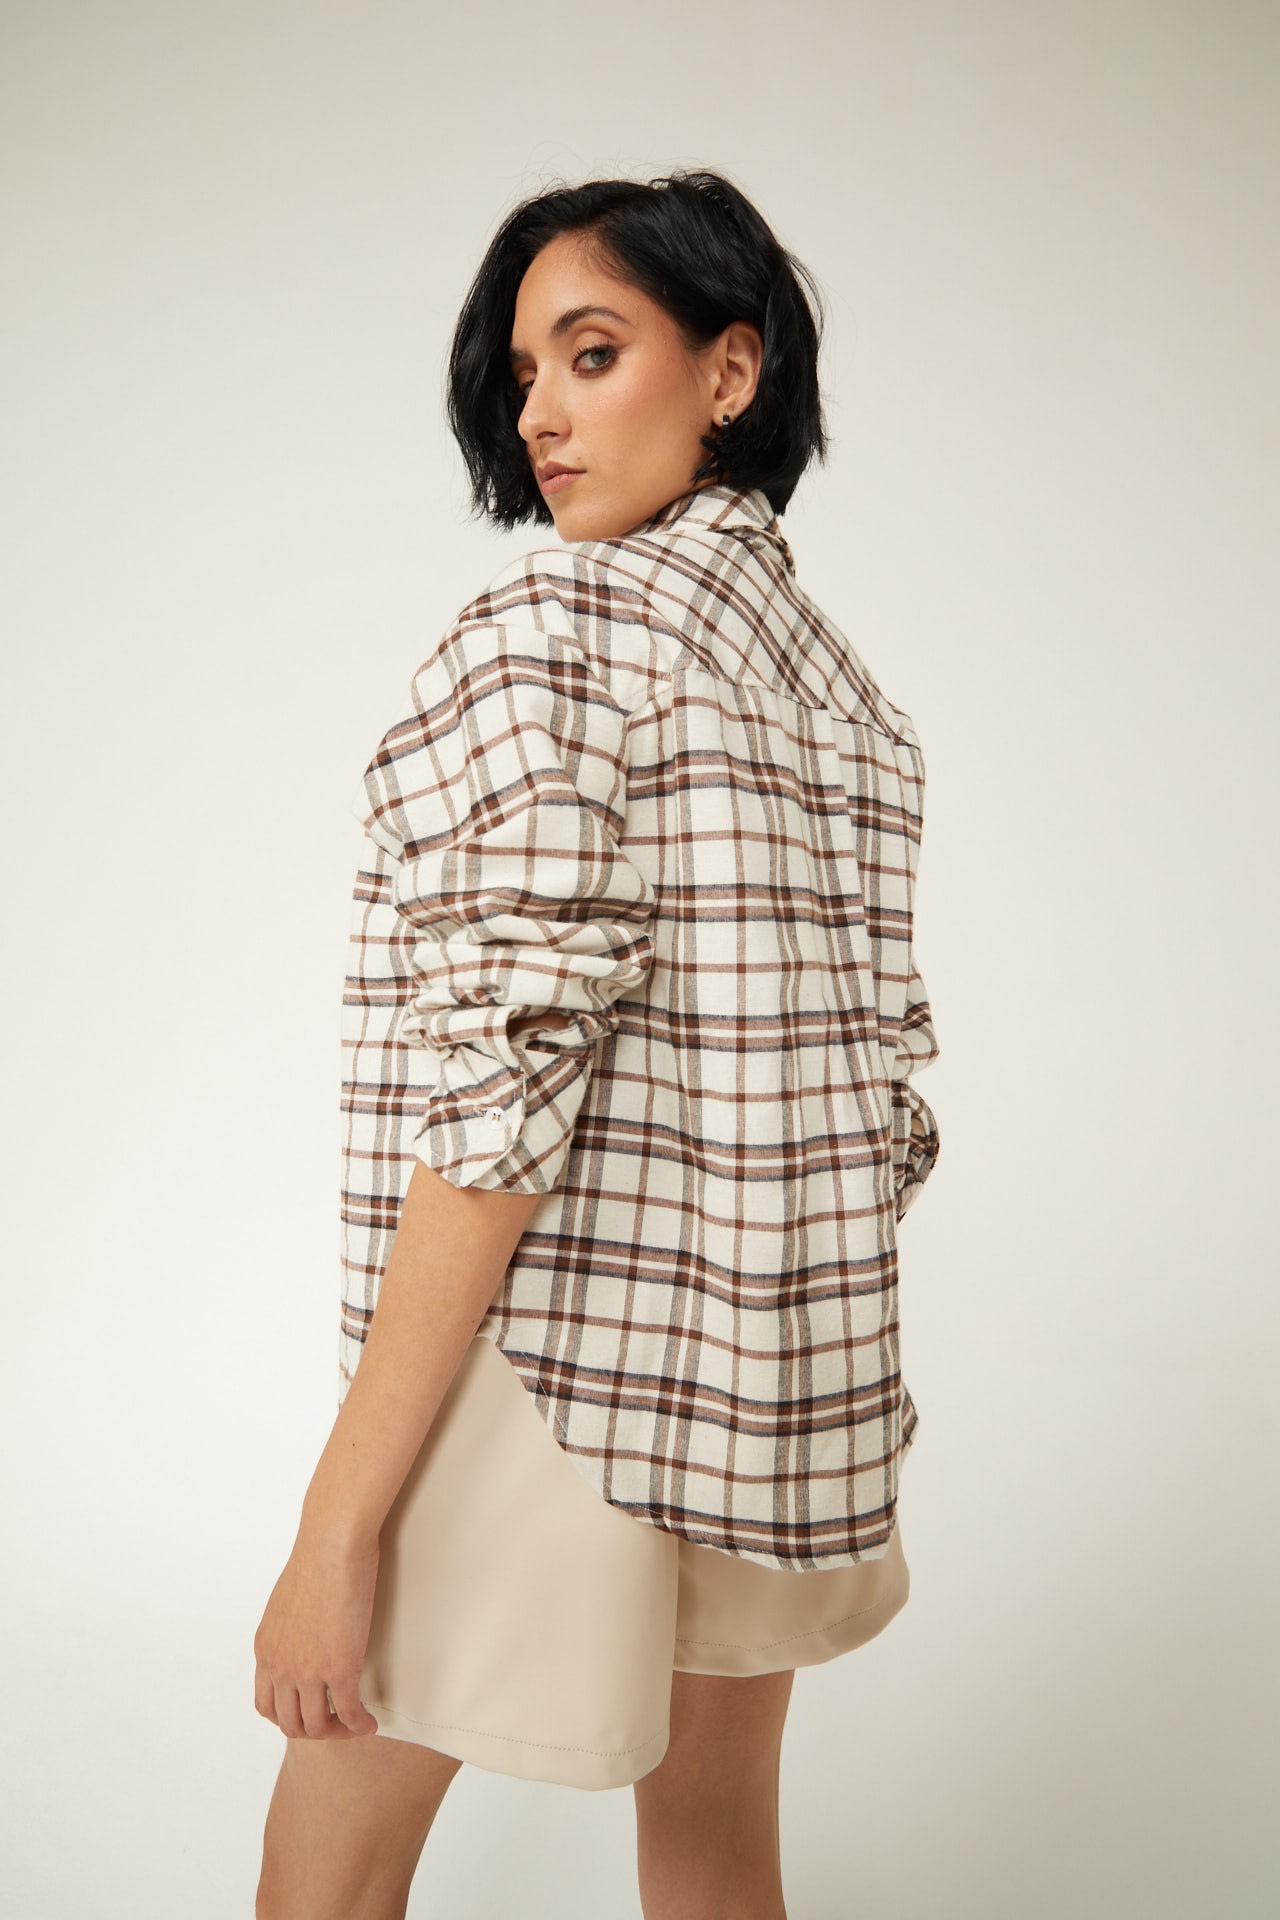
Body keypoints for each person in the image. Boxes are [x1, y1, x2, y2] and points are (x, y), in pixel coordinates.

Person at [253, 167, 941, 1920]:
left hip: (544, 1361)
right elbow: (883, 1088)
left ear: (732, 370)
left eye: (592, 352)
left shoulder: (551, 631)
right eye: (521, 375)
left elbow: (504, 1095)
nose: (540, 417)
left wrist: (337, 1523)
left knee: (327, 1872)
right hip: (768, 1366)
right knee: (716, 1856)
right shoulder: (842, 698)